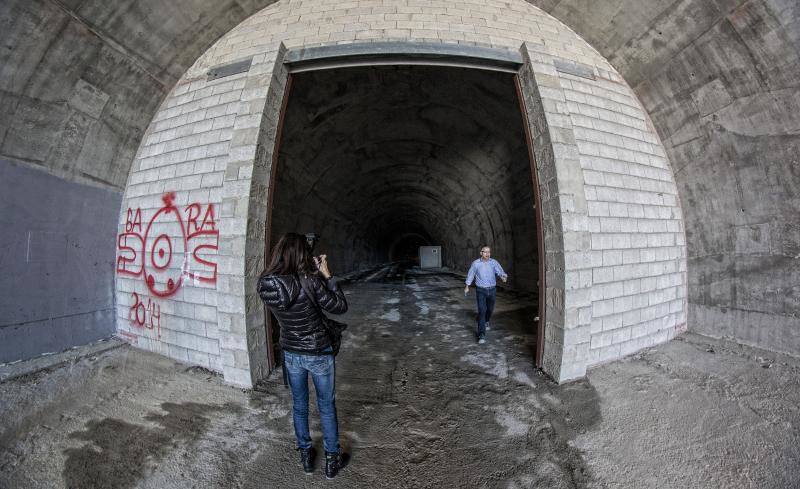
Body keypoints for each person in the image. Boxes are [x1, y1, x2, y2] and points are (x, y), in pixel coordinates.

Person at [257, 233, 349, 479]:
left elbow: (289, 297)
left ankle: (306, 457)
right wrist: (326, 274)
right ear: (302, 254)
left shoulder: (266, 282)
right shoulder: (311, 281)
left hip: (291, 352)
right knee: (326, 406)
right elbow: (340, 306)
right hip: (318, 351)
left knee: (299, 405)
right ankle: (332, 460)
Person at [464, 246, 508, 344]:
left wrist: (503, 276)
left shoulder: (493, 262)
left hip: (492, 290)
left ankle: (486, 320)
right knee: (482, 310)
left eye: (489, 252)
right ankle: (481, 335)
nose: (487, 254)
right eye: (485, 252)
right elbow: (471, 274)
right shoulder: (476, 264)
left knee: (490, 309)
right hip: (481, 290)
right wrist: (467, 286)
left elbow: (499, 271)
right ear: (481, 253)